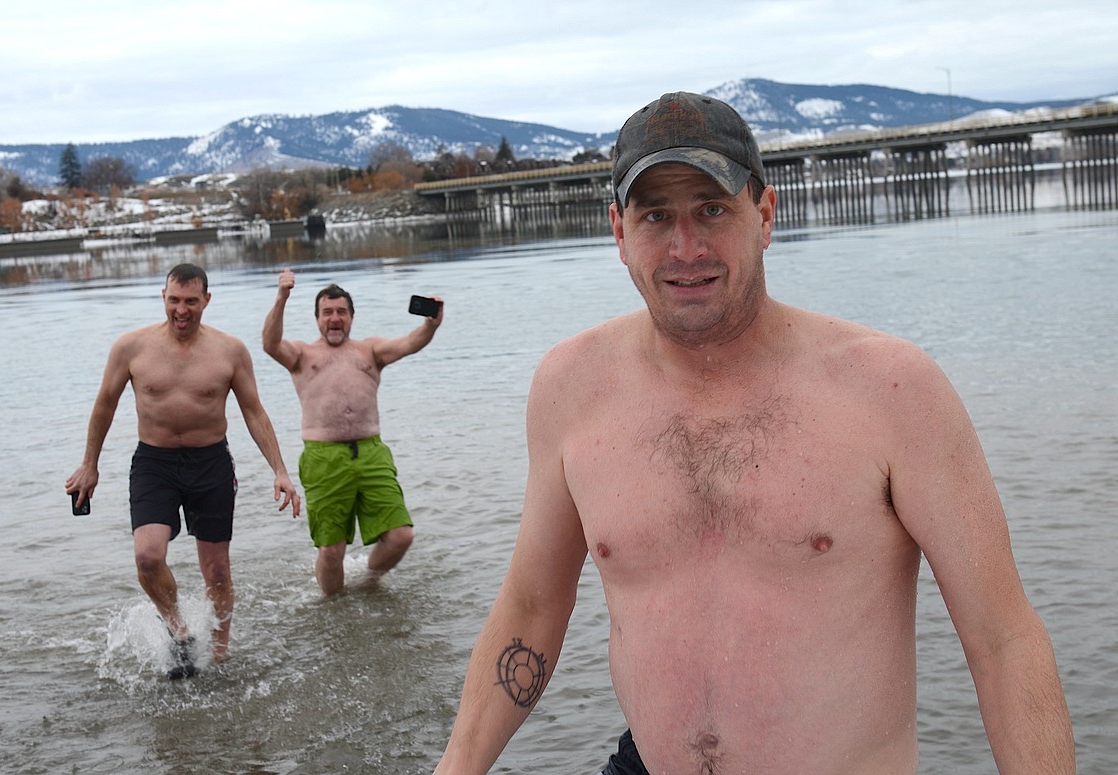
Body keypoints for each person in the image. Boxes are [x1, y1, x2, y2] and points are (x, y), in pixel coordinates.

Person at [434, 93, 1074, 774]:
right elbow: (531, 606)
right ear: (620, 232)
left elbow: (1003, 638)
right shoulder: (571, 387)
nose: (686, 248)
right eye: (657, 216)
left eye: (712, 208)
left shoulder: (891, 391)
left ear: (764, 215)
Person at [65, 263, 300, 677]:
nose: (182, 310)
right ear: (163, 297)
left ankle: (221, 656)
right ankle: (181, 632)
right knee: (147, 557)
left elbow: (254, 412)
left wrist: (279, 470)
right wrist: (90, 464)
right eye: (174, 300)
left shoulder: (230, 350)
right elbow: (105, 403)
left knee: (218, 571)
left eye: (191, 301)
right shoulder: (131, 347)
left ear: (207, 300)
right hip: (154, 462)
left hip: (210, 461)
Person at [262, 269, 442, 595]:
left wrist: (430, 325)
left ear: (352, 317)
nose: (335, 318)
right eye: (327, 312)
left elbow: (408, 344)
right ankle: (333, 607)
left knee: (401, 536)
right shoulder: (303, 355)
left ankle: (368, 581)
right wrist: (282, 297)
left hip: (371, 452)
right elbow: (270, 344)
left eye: (341, 312)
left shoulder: (370, 351)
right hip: (324, 457)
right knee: (332, 551)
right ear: (317, 318)